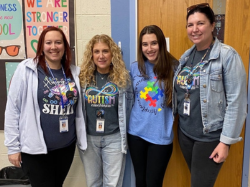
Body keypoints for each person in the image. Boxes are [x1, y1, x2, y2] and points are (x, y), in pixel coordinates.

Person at [173, 3, 247, 187]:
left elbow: (236, 102)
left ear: (213, 25)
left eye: (200, 23)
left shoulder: (227, 56)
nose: (194, 29)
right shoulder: (186, 57)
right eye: (190, 25)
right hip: (185, 133)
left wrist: (225, 142)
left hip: (209, 137)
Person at [4, 27, 87, 187]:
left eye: (58, 42)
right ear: (41, 46)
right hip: (36, 151)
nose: (53, 47)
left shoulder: (74, 72)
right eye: (48, 43)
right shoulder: (27, 69)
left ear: (64, 46)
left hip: (65, 147)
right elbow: (13, 109)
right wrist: (13, 147)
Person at [78, 34, 133, 187]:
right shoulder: (83, 78)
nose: (101, 56)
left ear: (112, 54)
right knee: (93, 183)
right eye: (96, 52)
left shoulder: (122, 78)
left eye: (105, 51)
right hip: (89, 139)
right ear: (91, 55)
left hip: (114, 138)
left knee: (112, 184)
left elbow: (129, 107)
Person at [128, 25, 178, 187]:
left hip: (160, 135)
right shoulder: (135, 67)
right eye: (145, 44)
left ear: (161, 44)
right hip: (136, 133)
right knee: (140, 181)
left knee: (153, 183)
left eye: (154, 43)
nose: (149, 49)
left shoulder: (174, 67)